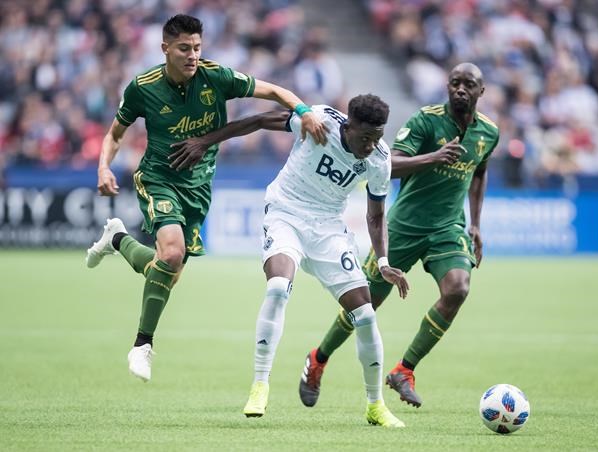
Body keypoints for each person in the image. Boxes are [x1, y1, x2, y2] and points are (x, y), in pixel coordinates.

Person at [85, 14, 327, 383]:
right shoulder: (143, 87)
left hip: (198, 188)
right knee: (171, 254)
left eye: (197, 47)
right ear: (165, 48)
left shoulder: (217, 77)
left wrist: (304, 112)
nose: (193, 55)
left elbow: (275, 92)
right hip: (159, 179)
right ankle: (142, 345)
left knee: (166, 272)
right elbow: (115, 134)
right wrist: (104, 167)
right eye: (184, 48)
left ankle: (117, 238)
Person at [172, 94, 410, 426]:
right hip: (286, 214)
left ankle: (375, 405)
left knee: (366, 315)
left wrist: (382, 262)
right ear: (349, 126)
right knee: (278, 288)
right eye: (366, 137)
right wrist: (205, 141)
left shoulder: (379, 159)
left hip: (328, 229)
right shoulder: (318, 122)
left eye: (378, 137)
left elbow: (376, 215)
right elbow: (259, 120)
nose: (371, 146)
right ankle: (260, 385)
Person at [298, 63, 499, 408]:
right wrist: (434, 158)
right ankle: (318, 359)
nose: (460, 89)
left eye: (468, 85)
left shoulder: (489, 132)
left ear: (481, 91)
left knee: (458, 289)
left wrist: (476, 223)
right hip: (403, 227)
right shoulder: (426, 121)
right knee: (365, 304)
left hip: (447, 227)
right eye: (455, 83)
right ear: (447, 86)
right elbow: (388, 166)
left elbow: (479, 171)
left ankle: (404, 371)